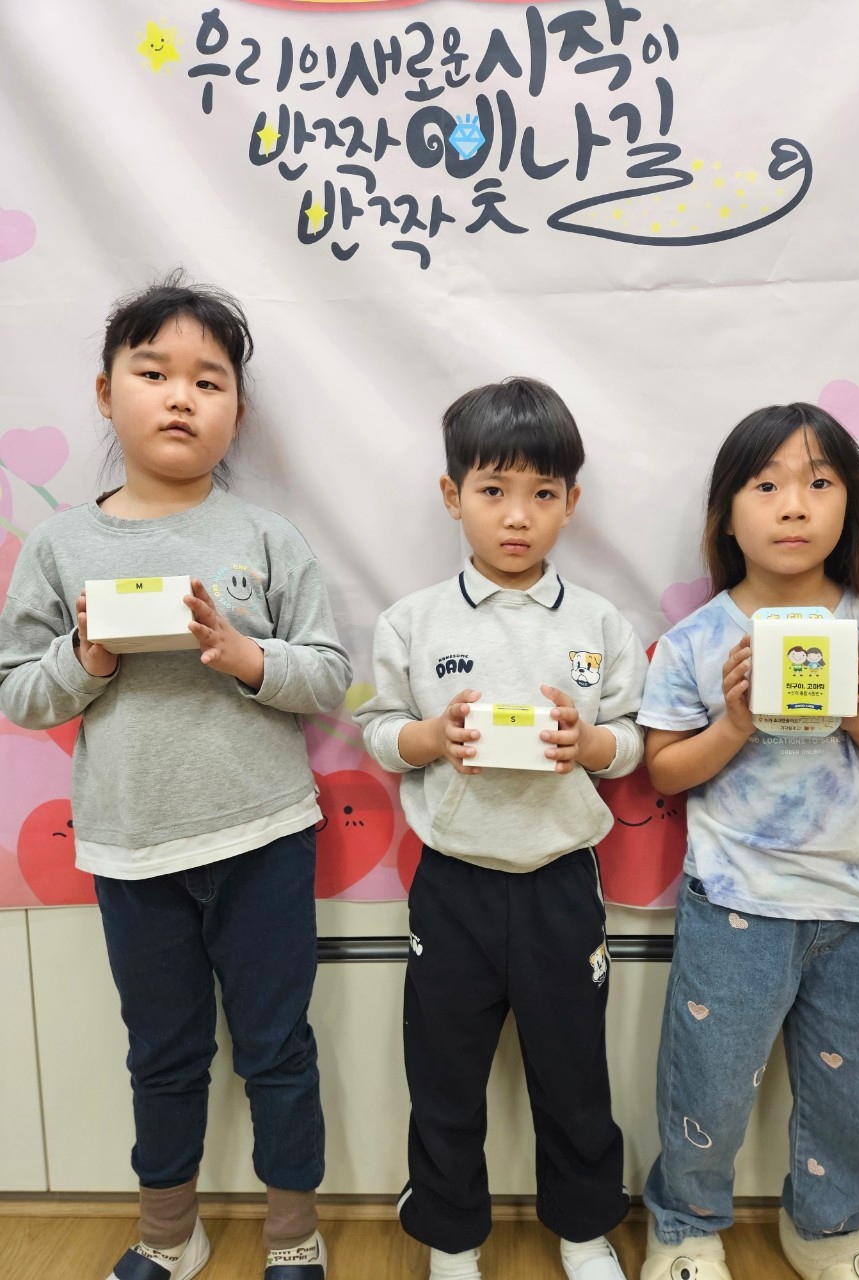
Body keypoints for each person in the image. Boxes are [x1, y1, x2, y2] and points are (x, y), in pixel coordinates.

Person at [0, 275, 351, 1280]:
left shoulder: (266, 537)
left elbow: (328, 675)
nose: (181, 397)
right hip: (130, 846)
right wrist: (87, 661)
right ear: (105, 393)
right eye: (153, 373)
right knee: (160, 1050)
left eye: (209, 379)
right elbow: (20, 692)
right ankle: (168, 1229)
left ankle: (293, 1230)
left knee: (278, 1045)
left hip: (265, 835)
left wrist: (243, 655)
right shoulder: (62, 544)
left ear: (237, 408)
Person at [637, 403, 859, 1280]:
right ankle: (685, 1227)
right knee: (707, 1085)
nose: (794, 505)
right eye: (765, 485)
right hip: (736, 900)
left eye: (819, 483)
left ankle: (830, 1230)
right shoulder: (697, 640)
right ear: (725, 514)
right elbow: (664, 771)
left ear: (853, 505)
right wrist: (736, 721)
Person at [354, 377, 647, 1280]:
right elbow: (378, 732)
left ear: (571, 503)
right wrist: (431, 738)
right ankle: (452, 1238)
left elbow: (632, 743)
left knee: (574, 1074)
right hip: (454, 882)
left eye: (542, 493)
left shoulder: (600, 622)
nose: (517, 515)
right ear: (454, 496)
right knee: (444, 1076)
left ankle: (584, 1228)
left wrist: (589, 743)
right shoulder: (412, 621)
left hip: (562, 880)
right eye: (493, 490)